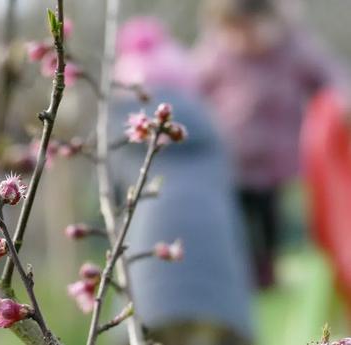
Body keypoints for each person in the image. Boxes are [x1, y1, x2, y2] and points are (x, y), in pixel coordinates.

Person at [110, 17, 253, 345]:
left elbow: (111, 197)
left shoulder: (118, 132)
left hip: (148, 275)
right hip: (216, 273)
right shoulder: (212, 126)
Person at [192, 0, 350, 288]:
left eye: (250, 29)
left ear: (272, 19)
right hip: (233, 157)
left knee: (271, 216)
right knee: (236, 219)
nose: (243, 41)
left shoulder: (293, 50)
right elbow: (193, 86)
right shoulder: (217, 55)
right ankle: (242, 271)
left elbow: (328, 75)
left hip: (277, 158)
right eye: (232, 31)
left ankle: (269, 271)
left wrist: (341, 99)